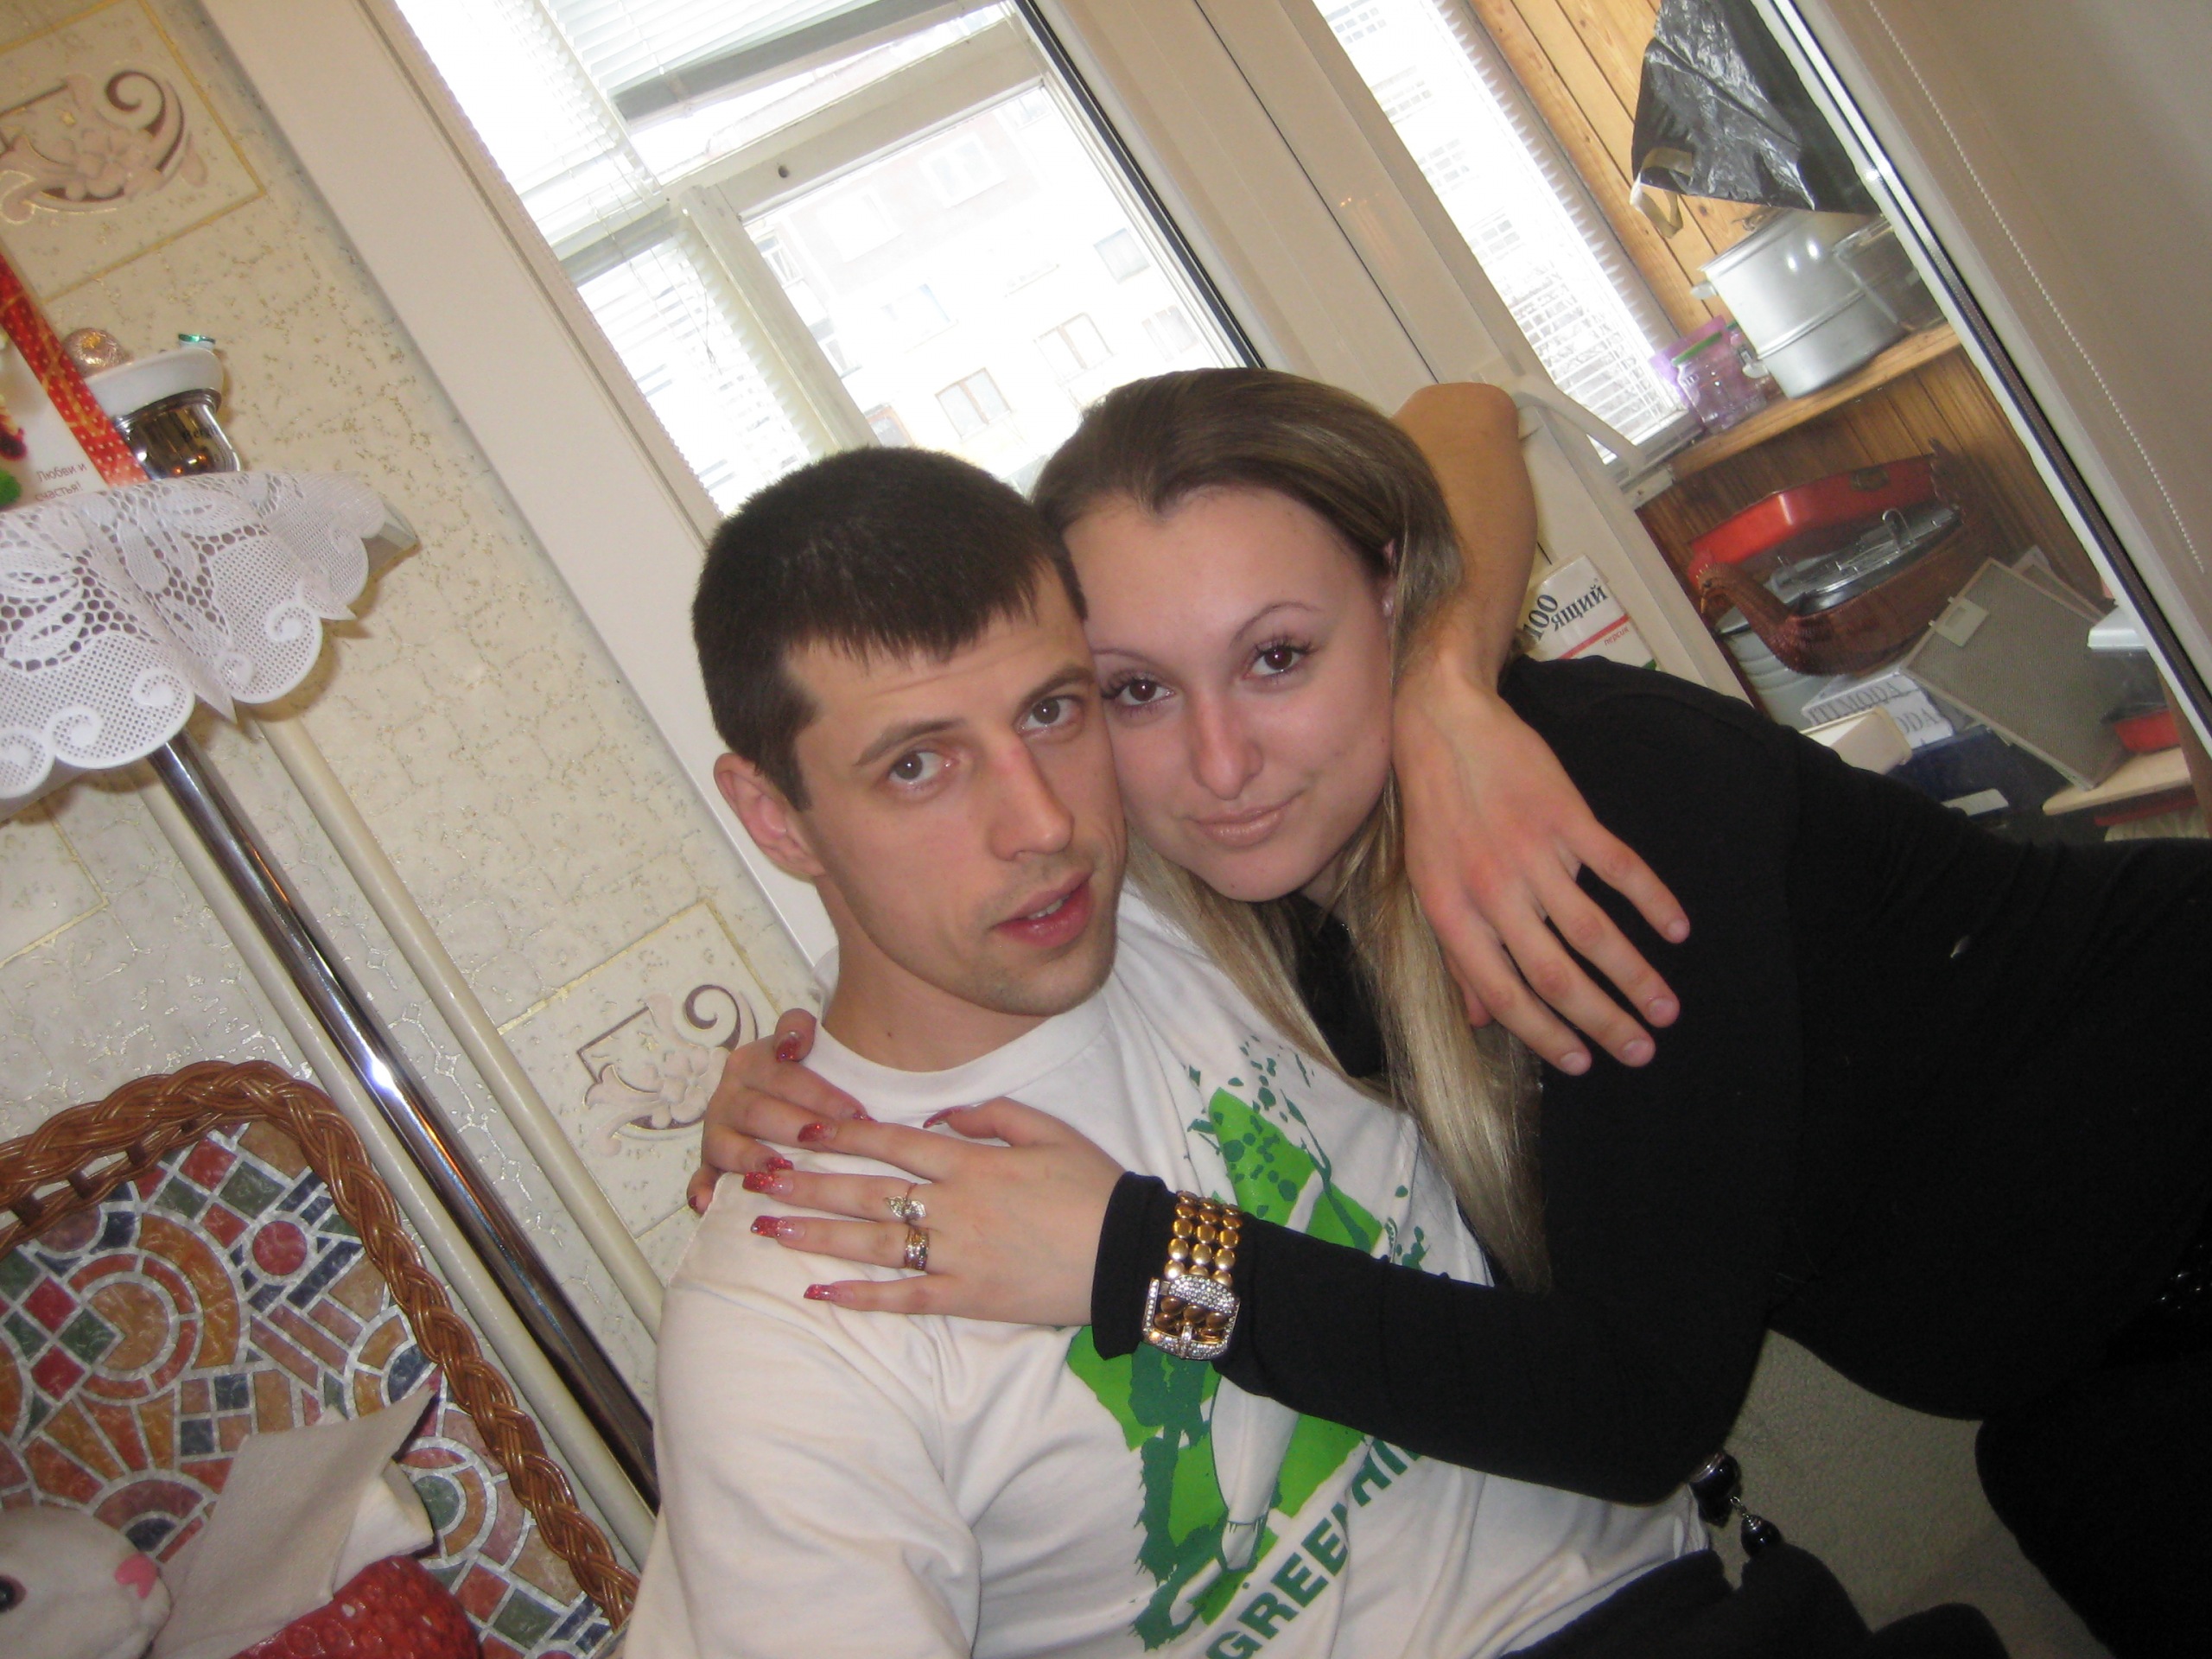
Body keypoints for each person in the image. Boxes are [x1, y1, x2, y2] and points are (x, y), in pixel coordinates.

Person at [703, 370, 2212, 1659]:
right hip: (2087, 1360)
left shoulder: (1597, 818)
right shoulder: (1225, 903)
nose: (1219, 764)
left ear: (1394, 595)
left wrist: (1143, 1260)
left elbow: (1637, 1414)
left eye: (1279, 657)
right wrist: (814, 1076)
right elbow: (942, 948)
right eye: (1134, 692)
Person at [632, 442, 1719, 1659]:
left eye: (1054, 711)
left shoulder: (1200, 892)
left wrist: (1445, 688)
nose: (1043, 824)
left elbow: (1462, 430)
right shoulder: (784, 1316)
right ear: (774, 815)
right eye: (918, 766)